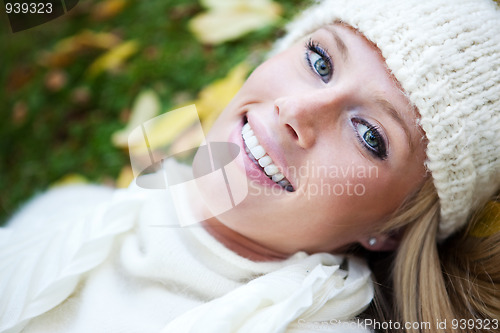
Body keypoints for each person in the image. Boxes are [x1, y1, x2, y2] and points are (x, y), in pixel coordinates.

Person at [1, 0, 499, 332]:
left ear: (389, 231)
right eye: (320, 61)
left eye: (370, 136)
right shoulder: (64, 214)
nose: (296, 112)